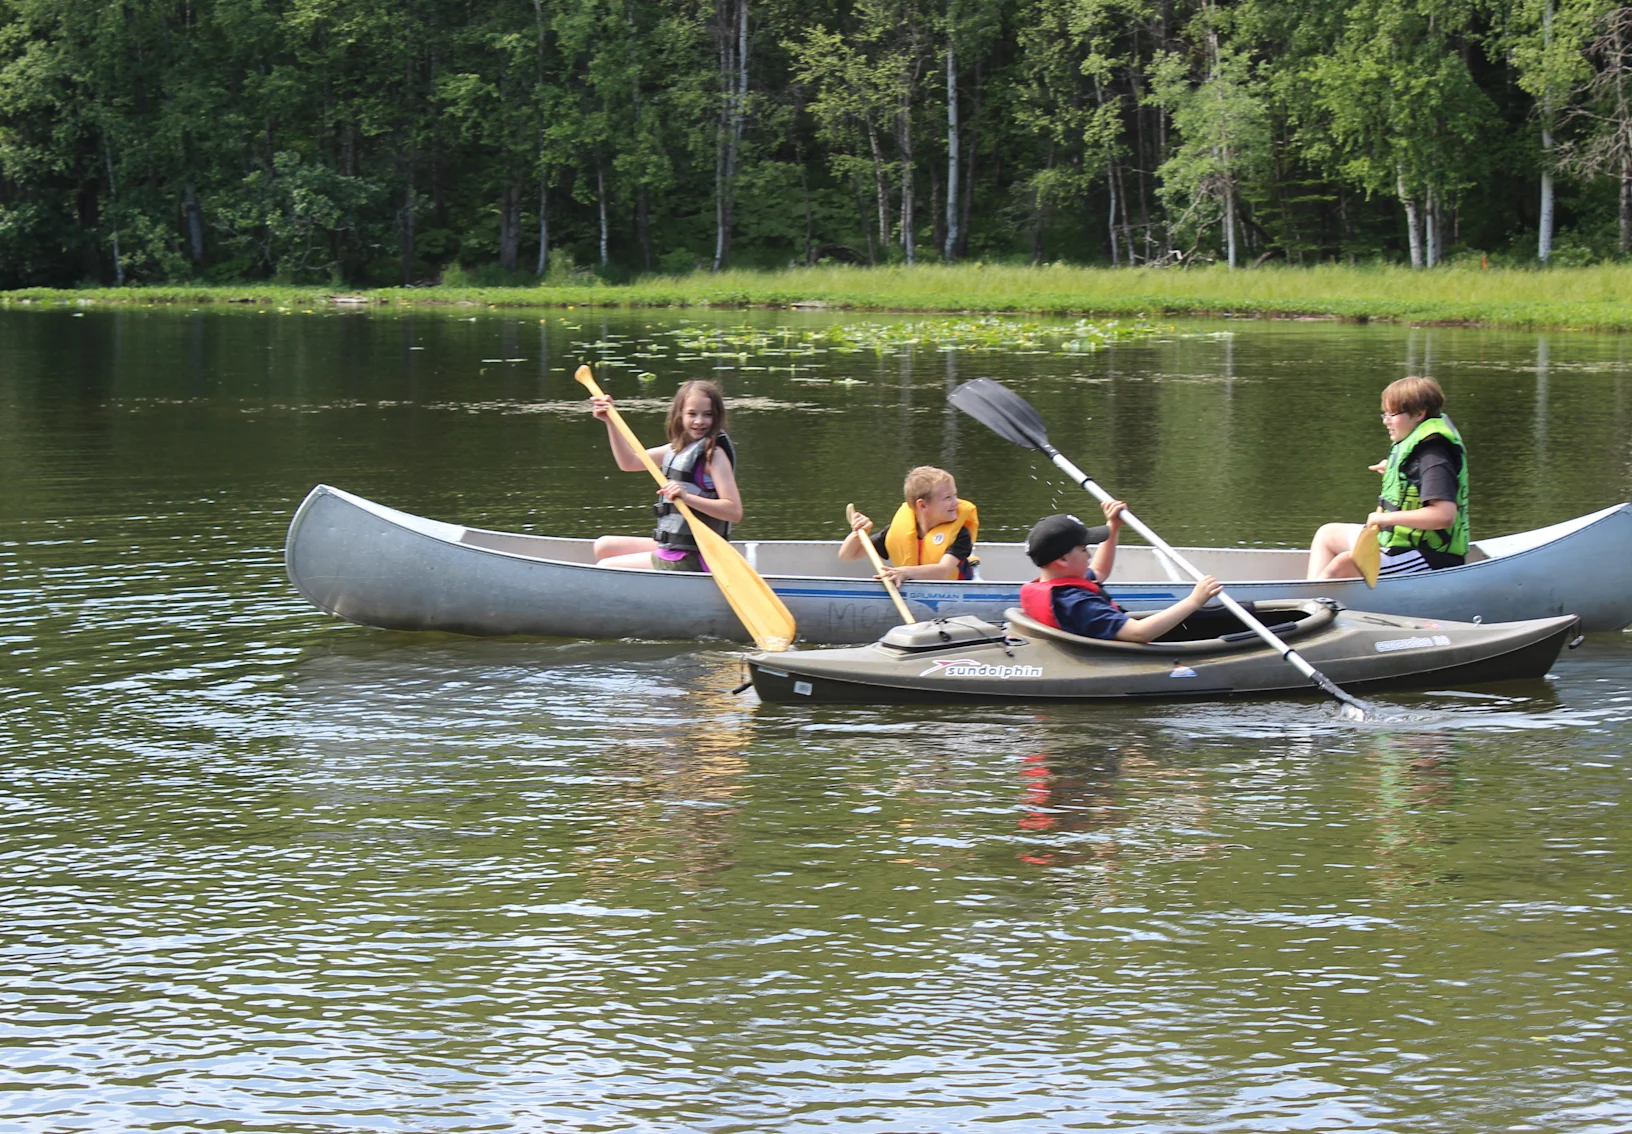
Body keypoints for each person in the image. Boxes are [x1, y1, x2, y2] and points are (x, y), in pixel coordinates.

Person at [1306, 375, 1469, 580]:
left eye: (1392, 414)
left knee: (1344, 564)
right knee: (1327, 535)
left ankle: (1308, 607)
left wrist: (1385, 518)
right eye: (1384, 415)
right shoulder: (1418, 451)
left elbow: (1444, 516)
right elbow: (1416, 480)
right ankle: (1311, 599)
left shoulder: (1434, 458)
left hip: (1431, 558)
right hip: (1398, 544)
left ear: (1419, 414)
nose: (1386, 421)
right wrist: (1397, 472)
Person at [590, 379, 741, 571]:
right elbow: (629, 463)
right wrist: (610, 421)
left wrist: (687, 497)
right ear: (680, 415)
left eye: (708, 415)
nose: (699, 421)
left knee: (606, 566)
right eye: (692, 414)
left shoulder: (714, 455)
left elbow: (734, 511)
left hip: (698, 555)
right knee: (603, 546)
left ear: (716, 417)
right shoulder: (676, 449)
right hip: (678, 548)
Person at [1019, 503, 1222, 643]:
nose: (1089, 555)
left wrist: (1113, 527)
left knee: (1231, 614)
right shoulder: (1080, 605)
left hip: (1114, 635)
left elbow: (1099, 571)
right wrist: (1194, 600)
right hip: (1127, 649)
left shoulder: (1059, 586)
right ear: (1062, 560)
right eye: (1083, 549)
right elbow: (1138, 633)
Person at [839, 466, 979, 584]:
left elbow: (943, 571)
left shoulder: (961, 534)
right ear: (923, 505)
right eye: (948, 498)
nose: (956, 502)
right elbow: (847, 555)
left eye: (955, 495)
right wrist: (858, 533)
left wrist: (906, 572)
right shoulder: (897, 531)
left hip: (959, 589)